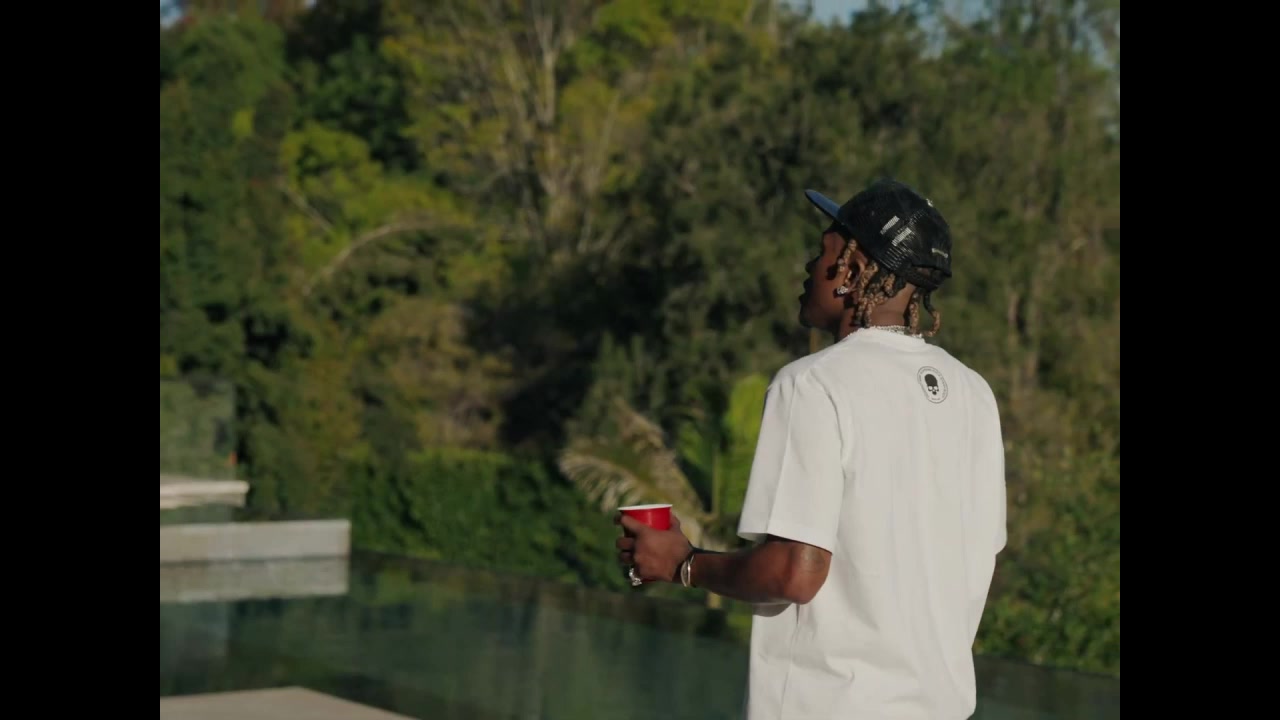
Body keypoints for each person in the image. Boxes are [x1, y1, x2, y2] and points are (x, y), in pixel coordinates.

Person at [615, 178, 1007, 720]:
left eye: (823, 251)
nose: (808, 266)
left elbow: (794, 573)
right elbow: (976, 557)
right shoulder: (974, 394)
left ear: (853, 270)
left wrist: (683, 563)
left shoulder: (813, 383)